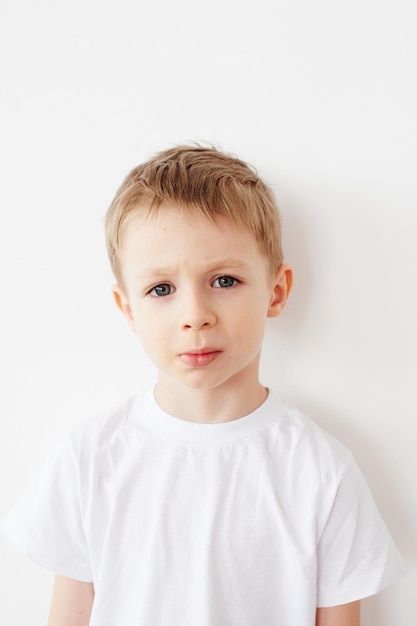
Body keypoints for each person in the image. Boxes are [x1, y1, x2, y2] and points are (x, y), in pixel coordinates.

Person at [2, 145, 404, 626]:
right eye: (162, 290)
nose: (195, 316)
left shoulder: (321, 471)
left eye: (224, 280)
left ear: (275, 291)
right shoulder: (89, 457)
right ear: (128, 308)